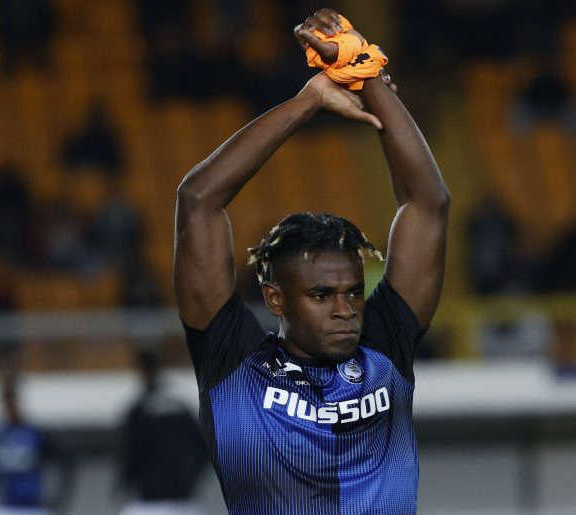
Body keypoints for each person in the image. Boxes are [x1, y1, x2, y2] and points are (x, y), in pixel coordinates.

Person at [174, 8, 450, 514]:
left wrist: (362, 73)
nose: (346, 309)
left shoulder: (384, 346)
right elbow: (198, 200)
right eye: (322, 295)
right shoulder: (231, 361)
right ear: (275, 297)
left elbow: (427, 203)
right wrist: (308, 102)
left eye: (351, 291)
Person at [115, 350, 208, 515]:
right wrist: (191, 479)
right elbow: (205, 448)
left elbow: (131, 453)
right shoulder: (180, 409)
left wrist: (123, 484)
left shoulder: (139, 412)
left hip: (148, 503)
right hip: (184, 502)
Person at [0, 376, 71, 515]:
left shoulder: (35, 433)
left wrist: (59, 498)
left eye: (13, 401)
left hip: (33, 507)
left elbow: (65, 463)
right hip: (6, 506)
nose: (10, 407)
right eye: (6, 403)